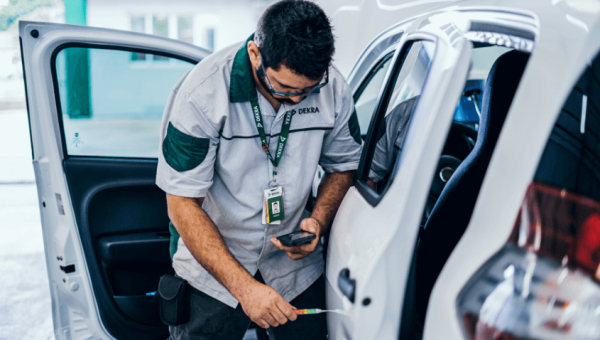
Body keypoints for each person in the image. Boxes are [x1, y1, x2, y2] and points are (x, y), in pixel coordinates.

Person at [155, 1, 362, 339]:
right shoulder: (201, 95)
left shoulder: (333, 89)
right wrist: (246, 289)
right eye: (284, 89)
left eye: (308, 90)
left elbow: (343, 168)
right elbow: (181, 202)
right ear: (255, 53)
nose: (296, 100)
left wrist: (318, 222)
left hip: (295, 268)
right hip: (216, 272)